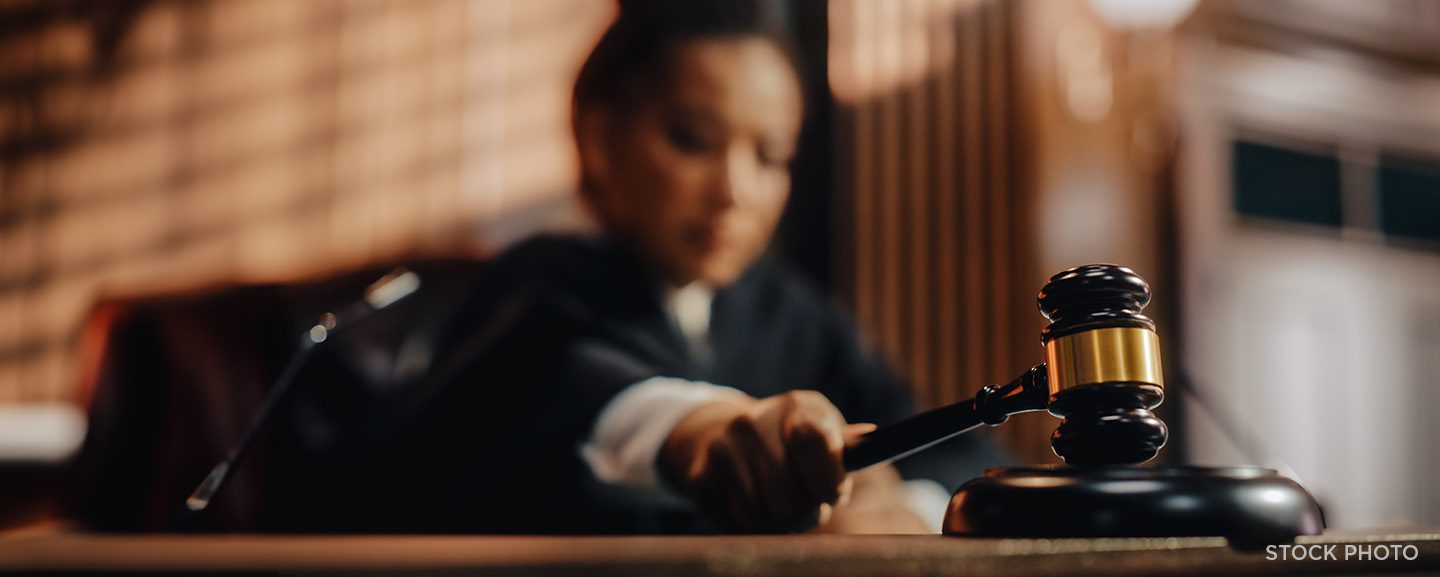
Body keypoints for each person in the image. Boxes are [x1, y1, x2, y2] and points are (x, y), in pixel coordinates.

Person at [400, 0, 1004, 534]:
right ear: (601, 137)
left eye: (770, 156)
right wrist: (709, 431)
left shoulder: (787, 311)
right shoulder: (534, 285)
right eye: (693, 140)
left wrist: (911, 510)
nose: (735, 190)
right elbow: (582, 389)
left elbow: (955, 446)